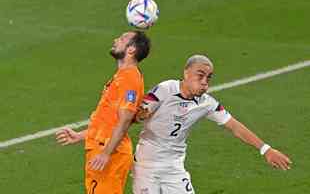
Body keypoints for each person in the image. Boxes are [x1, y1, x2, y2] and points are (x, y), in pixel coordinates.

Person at [133, 54, 292, 194]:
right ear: (186, 73)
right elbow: (136, 115)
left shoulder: (207, 103)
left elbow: (234, 126)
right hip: (146, 166)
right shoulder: (165, 89)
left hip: (174, 168)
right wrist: (140, 114)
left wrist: (266, 149)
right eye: (200, 75)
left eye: (208, 78)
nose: (204, 82)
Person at [55, 30, 151, 194]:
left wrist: (107, 153)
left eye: (121, 39)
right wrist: (81, 135)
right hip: (101, 147)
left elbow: (125, 120)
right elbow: (109, 120)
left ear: (131, 49)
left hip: (110, 153)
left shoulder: (129, 77)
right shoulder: (122, 76)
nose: (116, 40)